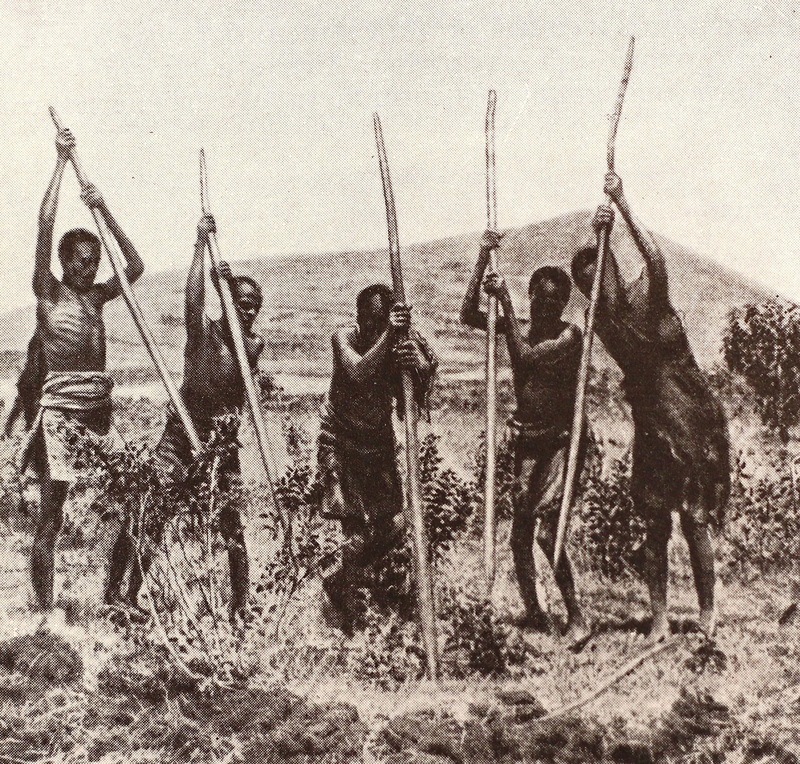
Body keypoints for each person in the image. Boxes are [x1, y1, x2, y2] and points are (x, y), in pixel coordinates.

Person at [571, 172, 730, 641]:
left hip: (691, 424)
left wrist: (620, 205)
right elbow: (621, 344)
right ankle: (659, 617)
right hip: (654, 428)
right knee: (656, 524)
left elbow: (655, 256)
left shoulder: (649, 294)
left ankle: (707, 614)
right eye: (588, 284)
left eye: (601, 272)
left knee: (696, 521)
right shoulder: (601, 319)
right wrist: (593, 260)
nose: (597, 285)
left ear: (614, 268)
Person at [114, 212, 264, 624]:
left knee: (231, 524)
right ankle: (123, 596)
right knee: (152, 509)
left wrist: (227, 289)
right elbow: (191, 297)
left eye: (254, 307)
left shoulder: (252, 346)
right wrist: (200, 244)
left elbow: (241, 389)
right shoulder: (203, 333)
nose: (248, 312)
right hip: (182, 434)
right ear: (227, 305)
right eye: (241, 304)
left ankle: (239, 606)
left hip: (221, 443)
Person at [23, 127, 144, 612]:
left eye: (94, 262)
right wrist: (59, 164)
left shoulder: (97, 297)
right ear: (63, 264)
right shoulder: (48, 292)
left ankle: (116, 593)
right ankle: (46, 613)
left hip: (99, 414)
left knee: (137, 497)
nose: (91, 270)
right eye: (82, 262)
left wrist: (105, 211)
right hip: (61, 414)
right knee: (52, 513)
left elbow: (134, 266)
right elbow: (44, 226)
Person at [461, 231, 590, 649]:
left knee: (548, 536)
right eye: (541, 297)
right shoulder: (518, 325)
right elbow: (467, 313)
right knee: (519, 534)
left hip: (559, 443)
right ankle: (534, 612)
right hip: (528, 442)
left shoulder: (570, 337)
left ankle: (577, 617)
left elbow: (525, 358)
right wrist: (483, 258)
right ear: (532, 293)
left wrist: (507, 303)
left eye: (555, 301)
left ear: (564, 305)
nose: (547, 306)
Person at [318, 284, 436, 635]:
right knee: (352, 530)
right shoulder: (346, 339)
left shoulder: (400, 345)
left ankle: (341, 578)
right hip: (340, 443)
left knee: (394, 526)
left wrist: (420, 368)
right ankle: (351, 621)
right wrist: (389, 334)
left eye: (380, 320)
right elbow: (357, 373)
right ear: (358, 317)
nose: (373, 327)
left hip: (378, 447)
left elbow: (411, 404)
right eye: (368, 320)